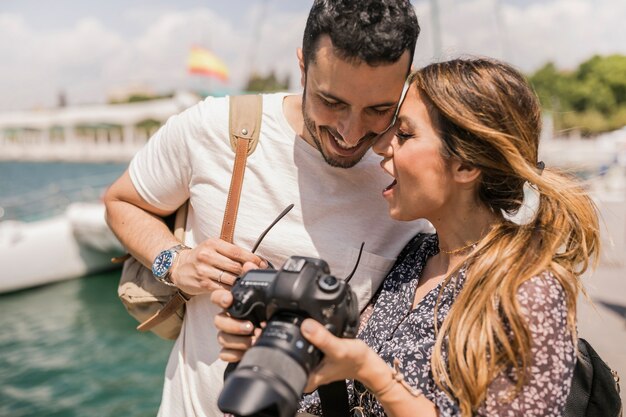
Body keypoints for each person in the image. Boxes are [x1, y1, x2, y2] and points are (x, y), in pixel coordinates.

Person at [213, 57, 600, 416]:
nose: (380, 145)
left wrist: (374, 375)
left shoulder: (528, 291)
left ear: (465, 163)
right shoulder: (416, 255)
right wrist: (275, 349)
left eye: (405, 133)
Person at [103, 1, 430, 416]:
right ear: (302, 66)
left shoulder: (409, 175)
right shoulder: (215, 127)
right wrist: (174, 260)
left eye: (379, 110)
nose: (351, 133)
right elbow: (122, 202)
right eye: (331, 102)